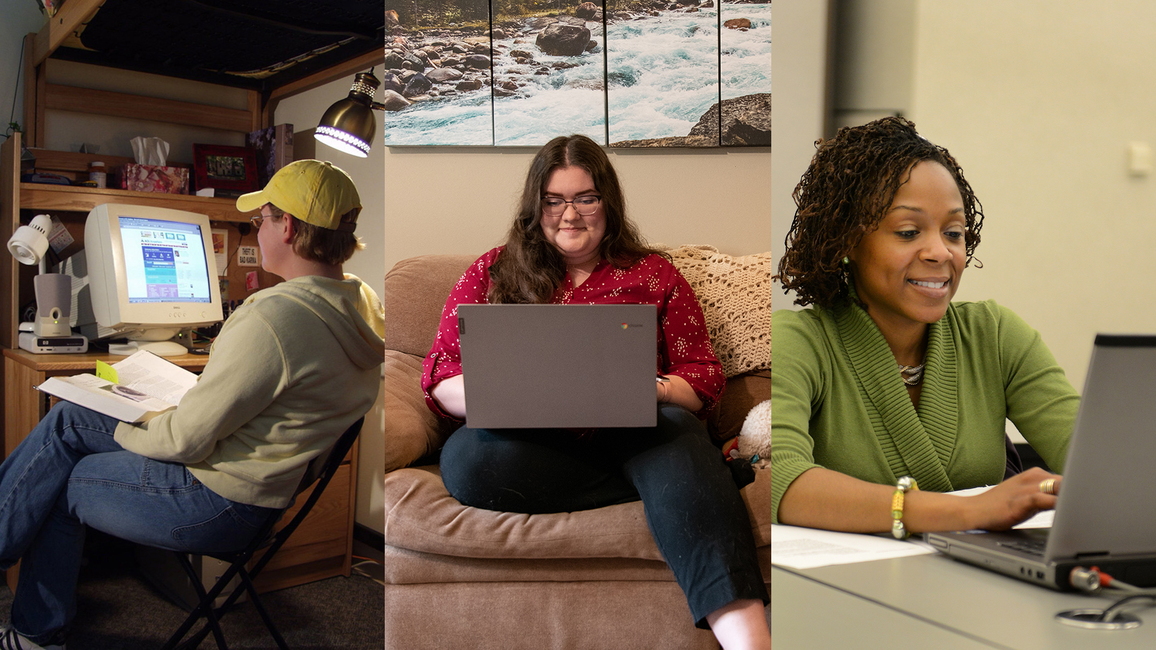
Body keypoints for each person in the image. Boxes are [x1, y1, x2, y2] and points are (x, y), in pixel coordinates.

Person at [0, 160, 385, 649]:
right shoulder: (362, 305)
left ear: (286, 226)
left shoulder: (277, 316)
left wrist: (142, 419)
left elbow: (186, 439)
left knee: (61, 466)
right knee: (70, 424)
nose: (258, 229)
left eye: (260, 220)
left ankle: (35, 634)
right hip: (270, 500)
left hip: (216, 502)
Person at [421, 134, 770, 649]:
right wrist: (506, 391)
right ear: (535, 206)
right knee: (469, 461)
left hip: (638, 432)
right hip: (531, 446)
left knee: (677, 432)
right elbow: (440, 376)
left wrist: (642, 387)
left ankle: (751, 640)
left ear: (608, 201)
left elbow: (702, 378)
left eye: (586, 197)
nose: (570, 214)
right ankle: (689, 478)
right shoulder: (493, 271)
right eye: (554, 200)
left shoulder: (653, 274)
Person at [772, 116, 1080, 535]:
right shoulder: (800, 342)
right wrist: (969, 512)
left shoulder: (996, 334)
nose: (941, 252)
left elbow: (1091, 457)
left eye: (953, 232)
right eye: (908, 231)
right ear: (847, 241)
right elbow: (783, 481)